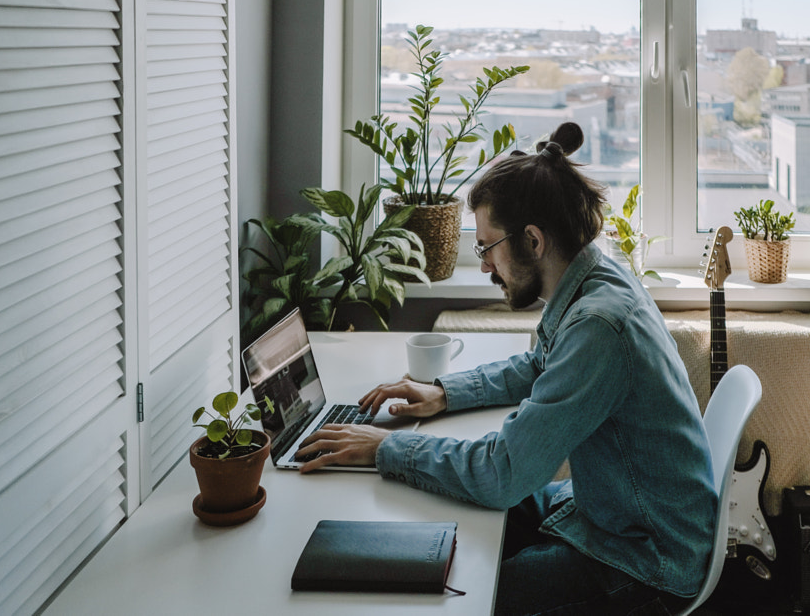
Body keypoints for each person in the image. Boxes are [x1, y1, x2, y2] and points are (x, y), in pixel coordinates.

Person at [297, 121, 716, 615]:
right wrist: (444, 393)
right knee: (441, 521)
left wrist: (389, 446)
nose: (483, 267)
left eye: (486, 246)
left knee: (461, 598)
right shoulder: (594, 279)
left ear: (533, 241)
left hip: (644, 557)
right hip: (607, 508)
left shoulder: (599, 326)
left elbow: (502, 474)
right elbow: (539, 365)